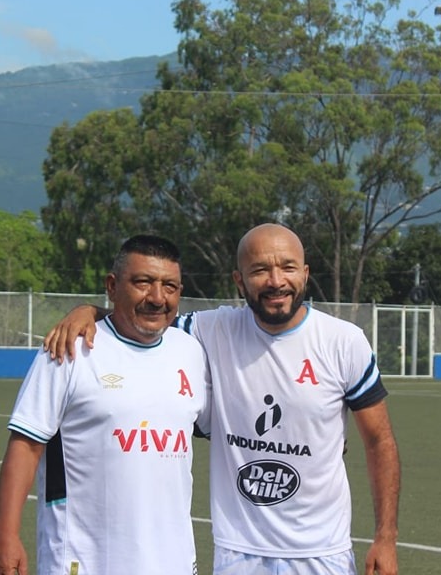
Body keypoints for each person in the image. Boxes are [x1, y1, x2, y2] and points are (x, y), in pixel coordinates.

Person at [44, 223, 400, 575]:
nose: (276, 281)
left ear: (305, 274)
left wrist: (386, 538)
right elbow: (146, 316)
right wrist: (90, 311)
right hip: (237, 553)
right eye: (260, 270)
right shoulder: (211, 329)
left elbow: (379, 441)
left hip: (323, 552)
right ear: (239, 281)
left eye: (288, 267)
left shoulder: (344, 342)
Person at [0, 234, 210, 575]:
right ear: (112, 286)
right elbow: (25, 446)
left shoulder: (190, 351)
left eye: (170, 286)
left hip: (173, 561)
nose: (157, 297)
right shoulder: (69, 348)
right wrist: (5, 536)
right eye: (142, 282)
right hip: (85, 560)